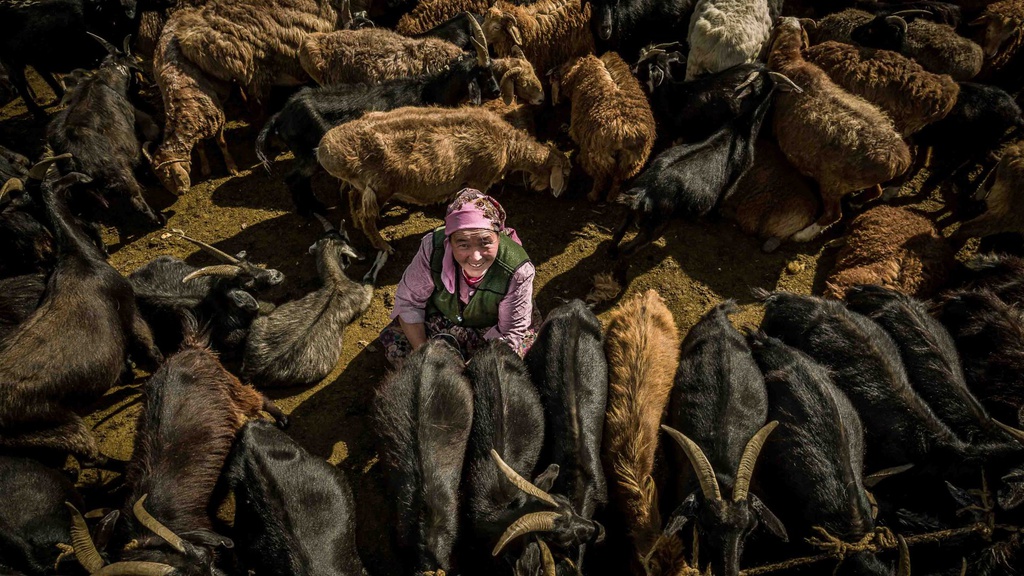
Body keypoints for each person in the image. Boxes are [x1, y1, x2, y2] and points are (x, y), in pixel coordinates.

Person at [379, 188, 541, 365]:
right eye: (463, 244)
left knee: (514, 367)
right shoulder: (433, 250)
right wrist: (427, 357)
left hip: (491, 330)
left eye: (485, 242)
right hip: (443, 319)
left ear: (498, 236)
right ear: (450, 242)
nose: (476, 257)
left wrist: (472, 371)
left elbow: (510, 333)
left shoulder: (517, 270)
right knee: (400, 348)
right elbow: (409, 302)